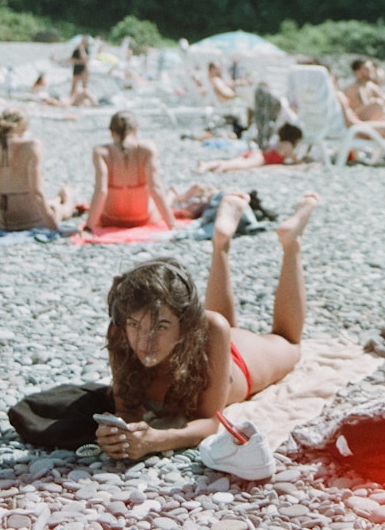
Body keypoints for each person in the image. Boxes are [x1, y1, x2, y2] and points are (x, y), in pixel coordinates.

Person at [95, 191, 319, 461]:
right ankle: (220, 243)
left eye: (161, 326)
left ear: (187, 323)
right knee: (219, 324)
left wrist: (157, 440)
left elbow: (211, 421)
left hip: (242, 361)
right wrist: (119, 433)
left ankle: (291, 243)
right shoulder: (119, 331)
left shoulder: (210, 328)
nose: (145, 342)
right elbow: (126, 408)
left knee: (289, 341)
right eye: (135, 325)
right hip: (203, 344)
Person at [85, 111, 177, 231]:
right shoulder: (147, 149)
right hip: (142, 218)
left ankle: (172, 195)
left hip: (110, 219)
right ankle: (172, 195)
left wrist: (88, 227)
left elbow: (101, 191)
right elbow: (155, 188)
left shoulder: (101, 152)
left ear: (111, 132)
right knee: (160, 200)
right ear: (135, 131)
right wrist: (172, 225)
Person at [196, 125, 304, 173]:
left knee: (232, 161)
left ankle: (207, 164)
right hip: (261, 159)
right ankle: (220, 167)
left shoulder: (278, 142)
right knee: (239, 165)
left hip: (256, 153)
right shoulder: (288, 145)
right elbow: (295, 161)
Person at [70, 36, 97, 105]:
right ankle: (71, 98)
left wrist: (82, 50)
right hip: (77, 69)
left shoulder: (87, 50)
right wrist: (80, 61)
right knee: (74, 85)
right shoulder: (76, 50)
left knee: (84, 86)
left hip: (84, 69)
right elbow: (72, 60)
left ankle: (83, 100)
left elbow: (85, 59)